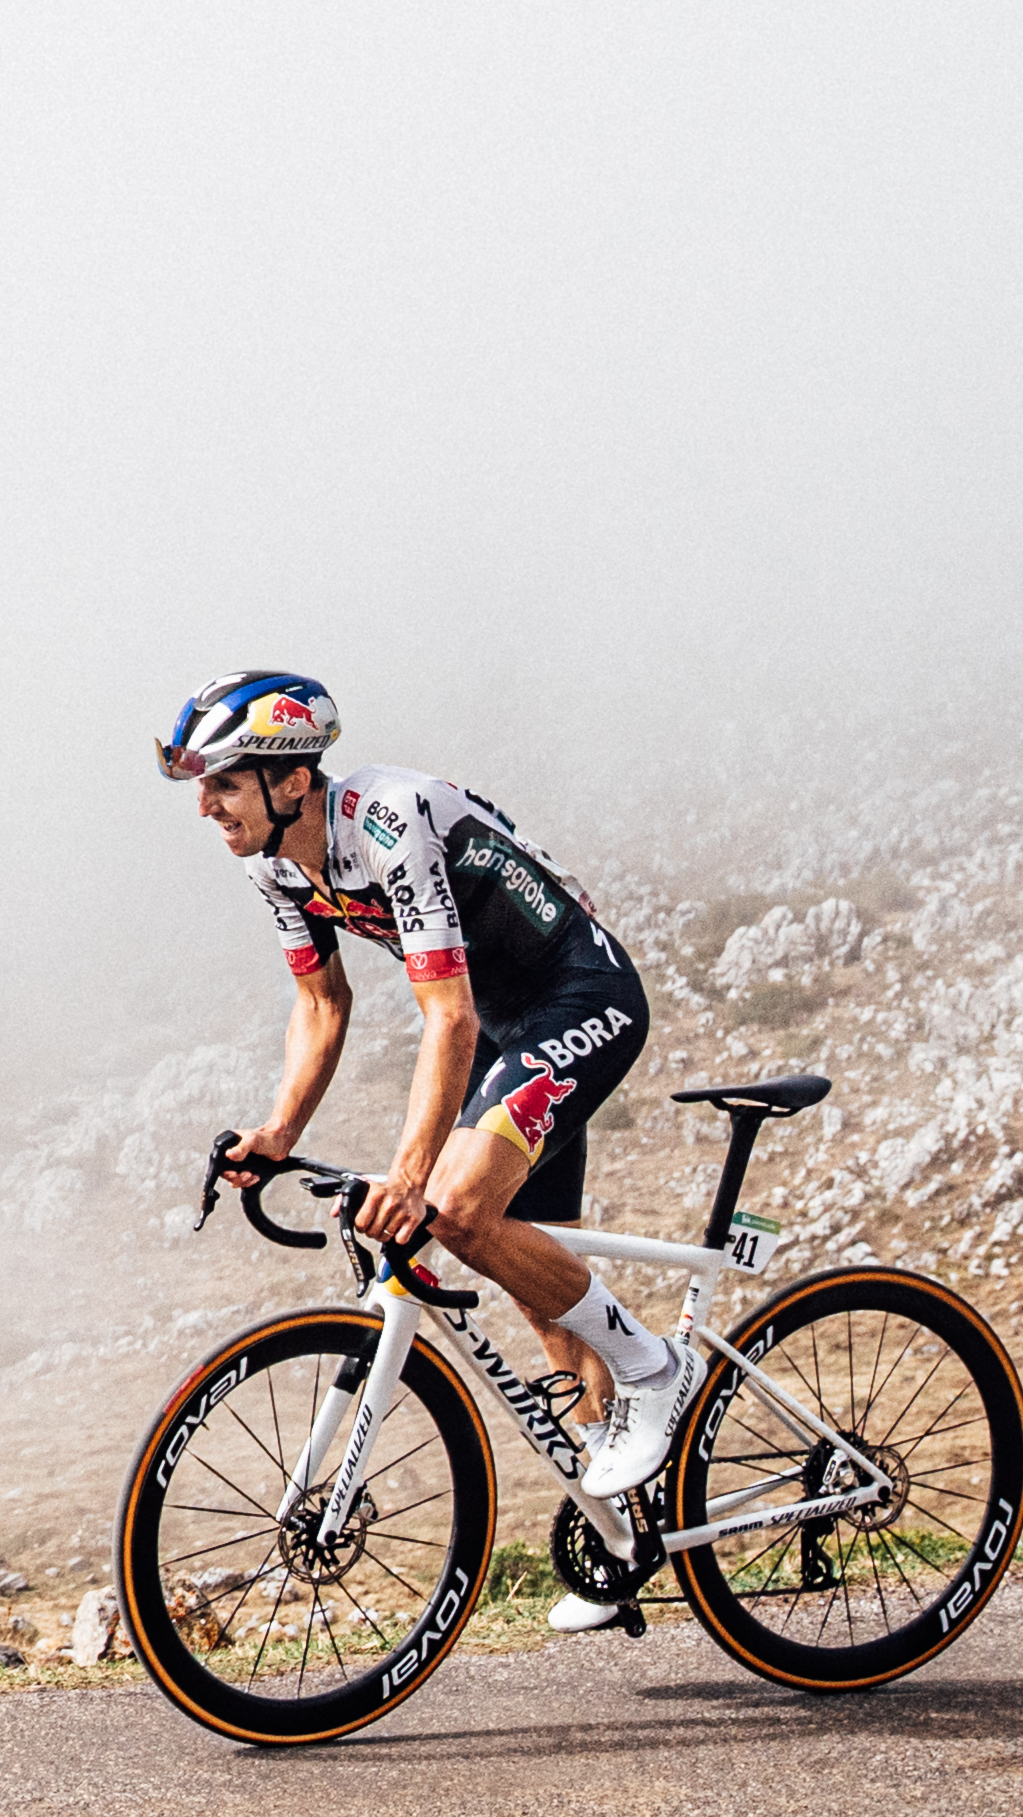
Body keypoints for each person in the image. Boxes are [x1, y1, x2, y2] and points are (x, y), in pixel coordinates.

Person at [158, 670, 699, 1634]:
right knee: (540, 1279)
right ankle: (622, 1533)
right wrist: (277, 1134)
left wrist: (409, 1179)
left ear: (290, 780)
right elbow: (323, 1004)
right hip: (507, 1027)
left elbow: (443, 1016)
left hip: (581, 998)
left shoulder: (386, 821)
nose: (205, 806)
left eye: (224, 783)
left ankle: (658, 1373)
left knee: (454, 1209)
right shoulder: (275, 863)